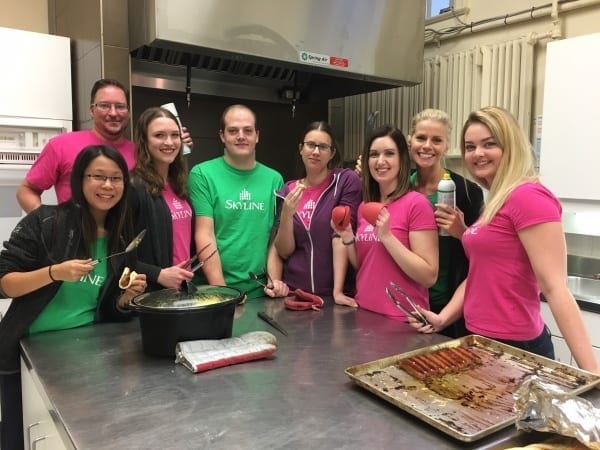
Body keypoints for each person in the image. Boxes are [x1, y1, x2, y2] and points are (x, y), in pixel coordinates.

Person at [410, 106, 599, 374]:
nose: (477, 153)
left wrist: (592, 375)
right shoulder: (498, 200)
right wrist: (443, 318)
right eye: (470, 146)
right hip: (480, 341)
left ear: (510, 145)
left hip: (516, 347)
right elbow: (480, 274)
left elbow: (556, 288)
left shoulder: (529, 196)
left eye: (489, 144)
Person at [0, 145, 148, 450]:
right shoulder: (47, 222)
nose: (107, 186)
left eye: (116, 178)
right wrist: (54, 272)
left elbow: (107, 305)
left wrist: (125, 298)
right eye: (98, 177)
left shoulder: (121, 235)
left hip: (87, 355)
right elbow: (4, 283)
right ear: (81, 179)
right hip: (30, 351)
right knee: (23, 436)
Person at [16, 78, 193, 212]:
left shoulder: (141, 152)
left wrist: (176, 145)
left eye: (120, 106)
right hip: (77, 246)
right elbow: (27, 190)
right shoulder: (61, 145)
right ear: (92, 110)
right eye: (105, 106)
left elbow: (165, 185)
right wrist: (50, 223)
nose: (113, 113)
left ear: (128, 112)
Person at [337, 125, 438, 319]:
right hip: (365, 315)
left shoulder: (417, 204)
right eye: (374, 154)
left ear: (402, 159)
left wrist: (387, 237)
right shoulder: (365, 207)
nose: (380, 161)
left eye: (389, 153)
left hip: (403, 321)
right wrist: (348, 237)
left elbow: (428, 276)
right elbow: (365, 266)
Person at [188, 104, 288, 300]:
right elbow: (205, 234)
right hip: (214, 292)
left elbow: (274, 239)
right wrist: (223, 292)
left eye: (248, 131)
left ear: (257, 136)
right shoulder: (202, 174)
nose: (241, 136)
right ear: (222, 136)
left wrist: (274, 282)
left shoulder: (275, 179)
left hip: (259, 292)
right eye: (233, 131)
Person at [408, 109, 484, 337]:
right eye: (421, 138)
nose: (427, 146)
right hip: (404, 300)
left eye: (436, 140)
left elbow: (482, 256)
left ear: (447, 145)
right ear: (410, 139)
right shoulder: (399, 187)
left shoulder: (467, 192)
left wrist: (462, 232)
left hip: (446, 307)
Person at [273, 121, 362, 306]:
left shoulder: (345, 181)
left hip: (337, 296)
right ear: (301, 148)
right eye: (310, 145)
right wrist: (287, 215)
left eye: (323, 147)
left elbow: (343, 233)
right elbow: (284, 250)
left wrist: (337, 291)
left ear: (332, 153)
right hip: (296, 295)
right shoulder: (288, 190)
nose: (315, 152)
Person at [129, 107, 196, 291]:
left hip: (183, 289)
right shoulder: (133, 188)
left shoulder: (179, 185)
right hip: (152, 294)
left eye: (175, 135)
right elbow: (115, 253)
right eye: (159, 135)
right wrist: (157, 274)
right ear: (144, 141)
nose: (169, 142)